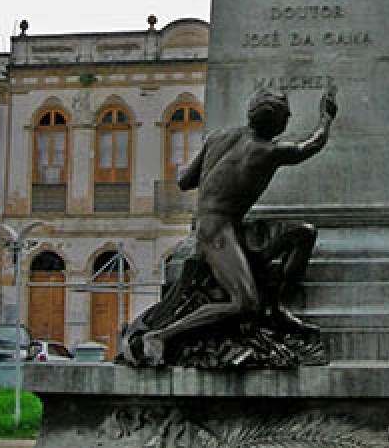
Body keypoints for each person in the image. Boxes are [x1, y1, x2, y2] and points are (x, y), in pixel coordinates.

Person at [140, 86, 337, 364]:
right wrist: (326, 118)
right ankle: (162, 335)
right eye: (287, 117)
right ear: (280, 122)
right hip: (215, 234)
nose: (288, 121)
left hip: (232, 227)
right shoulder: (268, 151)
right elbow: (311, 145)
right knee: (244, 303)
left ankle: (277, 308)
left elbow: (184, 180)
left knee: (303, 234)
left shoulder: (217, 137)